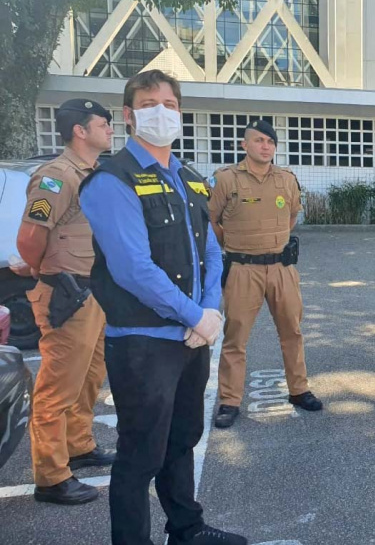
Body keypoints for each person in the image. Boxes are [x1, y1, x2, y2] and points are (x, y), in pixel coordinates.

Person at [79, 70, 246, 544]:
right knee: (140, 455)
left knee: (182, 441)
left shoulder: (189, 178)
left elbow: (212, 251)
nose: (162, 111)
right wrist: (194, 315)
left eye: (170, 104)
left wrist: (209, 313)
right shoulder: (112, 181)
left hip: (191, 338)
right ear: (129, 115)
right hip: (143, 342)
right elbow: (132, 268)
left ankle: (186, 530)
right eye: (149, 103)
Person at [16, 99, 115, 505]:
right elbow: (29, 239)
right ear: (80, 130)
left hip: (93, 291)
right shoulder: (56, 177)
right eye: (103, 123)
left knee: (90, 376)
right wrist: (49, 276)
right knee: (58, 385)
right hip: (66, 294)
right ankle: (52, 476)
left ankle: (79, 445)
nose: (110, 128)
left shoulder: (93, 173)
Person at [209, 120, 322, 428]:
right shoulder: (225, 179)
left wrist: (274, 242)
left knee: (292, 331)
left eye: (270, 142)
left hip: (282, 268)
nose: (265, 146)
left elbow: (292, 214)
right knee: (235, 337)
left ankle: (299, 390)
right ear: (244, 145)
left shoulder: (286, 179)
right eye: (259, 140)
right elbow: (211, 219)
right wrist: (235, 245)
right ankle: (230, 401)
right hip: (243, 269)